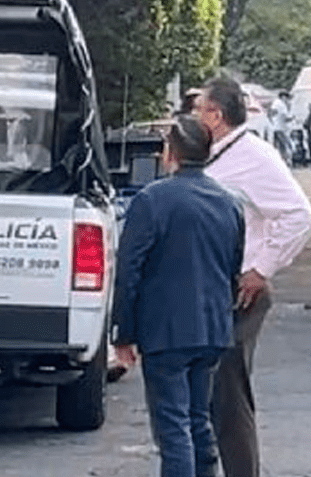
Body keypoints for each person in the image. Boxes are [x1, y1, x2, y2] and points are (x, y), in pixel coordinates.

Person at [193, 76, 311, 477]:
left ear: (216, 115)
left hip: (238, 290)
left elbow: (300, 216)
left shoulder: (254, 157)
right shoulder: (216, 155)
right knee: (207, 394)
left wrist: (261, 268)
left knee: (228, 393)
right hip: (210, 285)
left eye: (198, 109)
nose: (194, 116)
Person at [111, 115, 245, 477]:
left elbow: (129, 270)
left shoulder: (152, 200)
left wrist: (123, 332)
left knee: (173, 428)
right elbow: (233, 267)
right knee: (199, 420)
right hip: (212, 328)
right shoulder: (229, 203)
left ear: (170, 152)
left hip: (166, 330)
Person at [268, 91, 292, 165]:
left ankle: (281, 160)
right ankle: (287, 160)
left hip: (275, 128)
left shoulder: (275, 103)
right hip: (281, 129)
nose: (287, 99)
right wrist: (293, 118)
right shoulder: (281, 105)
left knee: (279, 146)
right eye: (287, 97)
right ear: (283, 97)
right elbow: (286, 118)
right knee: (287, 145)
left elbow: (269, 115)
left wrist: (273, 123)